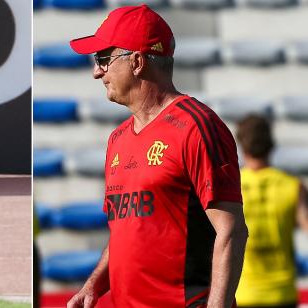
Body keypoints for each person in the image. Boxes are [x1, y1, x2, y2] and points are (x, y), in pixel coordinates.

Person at [66, 5, 248, 308]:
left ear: (137, 62)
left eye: (103, 59)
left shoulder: (197, 126)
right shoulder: (118, 138)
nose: (97, 72)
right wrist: (94, 284)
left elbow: (231, 230)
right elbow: (129, 227)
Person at [235, 114, 308, 308]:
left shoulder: (232, 186)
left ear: (242, 146)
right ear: (271, 145)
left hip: (243, 293)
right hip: (281, 293)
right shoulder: (293, 186)